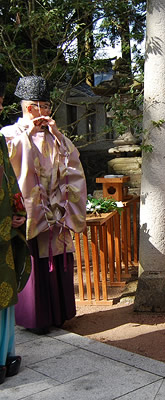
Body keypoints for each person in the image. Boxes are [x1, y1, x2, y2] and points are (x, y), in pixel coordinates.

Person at [0, 76, 87, 334]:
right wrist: (28, 132)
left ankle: (61, 313)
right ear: (30, 108)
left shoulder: (54, 136)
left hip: (56, 210)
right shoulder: (10, 135)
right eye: (44, 106)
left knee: (59, 261)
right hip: (29, 211)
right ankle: (35, 318)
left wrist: (58, 135)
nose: (48, 111)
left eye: (49, 106)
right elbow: (9, 172)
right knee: (33, 262)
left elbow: (73, 162)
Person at [0, 65, 31, 383]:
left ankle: (5, 356)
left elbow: (9, 181)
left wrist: (17, 209)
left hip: (6, 228)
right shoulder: (10, 135)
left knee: (5, 299)